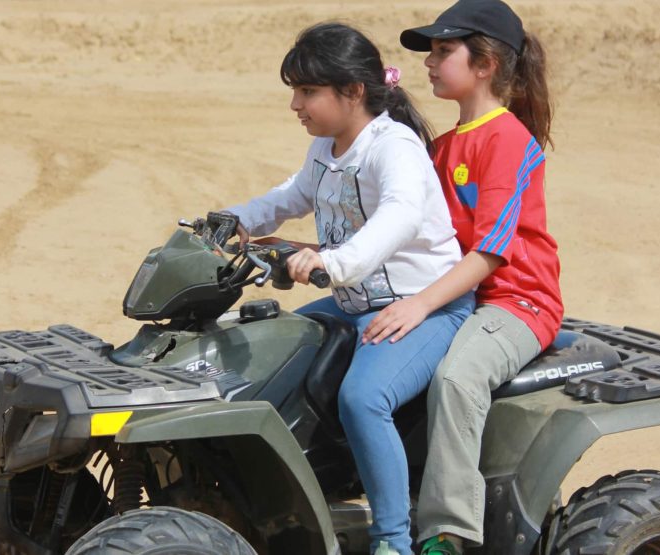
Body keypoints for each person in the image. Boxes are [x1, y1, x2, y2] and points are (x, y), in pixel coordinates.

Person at [224, 22, 474, 555]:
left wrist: (333, 262)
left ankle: (392, 541)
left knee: (364, 399)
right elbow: (290, 196)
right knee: (269, 349)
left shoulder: (394, 147)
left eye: (308, 90)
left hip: (426, 309)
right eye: (295, 89)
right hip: (353, 302)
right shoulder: (326, 146)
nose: (296, 103)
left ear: (353, 91)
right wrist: (232, 220)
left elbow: (399, 218)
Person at [360, 1, 564, 553]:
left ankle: (448, 534)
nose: (430, 61)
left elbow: (493, 252)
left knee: (456, 379)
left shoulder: (507, 140)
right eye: (429, 52)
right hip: (460, 298)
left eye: (443, 51)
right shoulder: (445, 146)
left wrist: (419, 305)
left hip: (515, 302)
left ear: (486, 64)